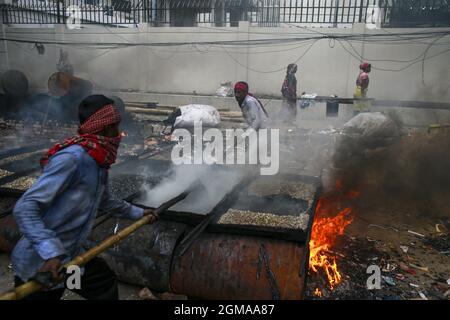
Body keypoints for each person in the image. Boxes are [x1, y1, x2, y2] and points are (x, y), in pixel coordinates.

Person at [11, 95, 158, 300]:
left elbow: (105, 200)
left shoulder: (97, 160)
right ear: (105, 128)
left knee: (101, 283)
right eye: (116, 126)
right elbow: (26, 207)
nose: (120, 133)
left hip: (70, 261)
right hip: (42, 267)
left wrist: (140, 212)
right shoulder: (72, 159)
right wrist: (51, 253)